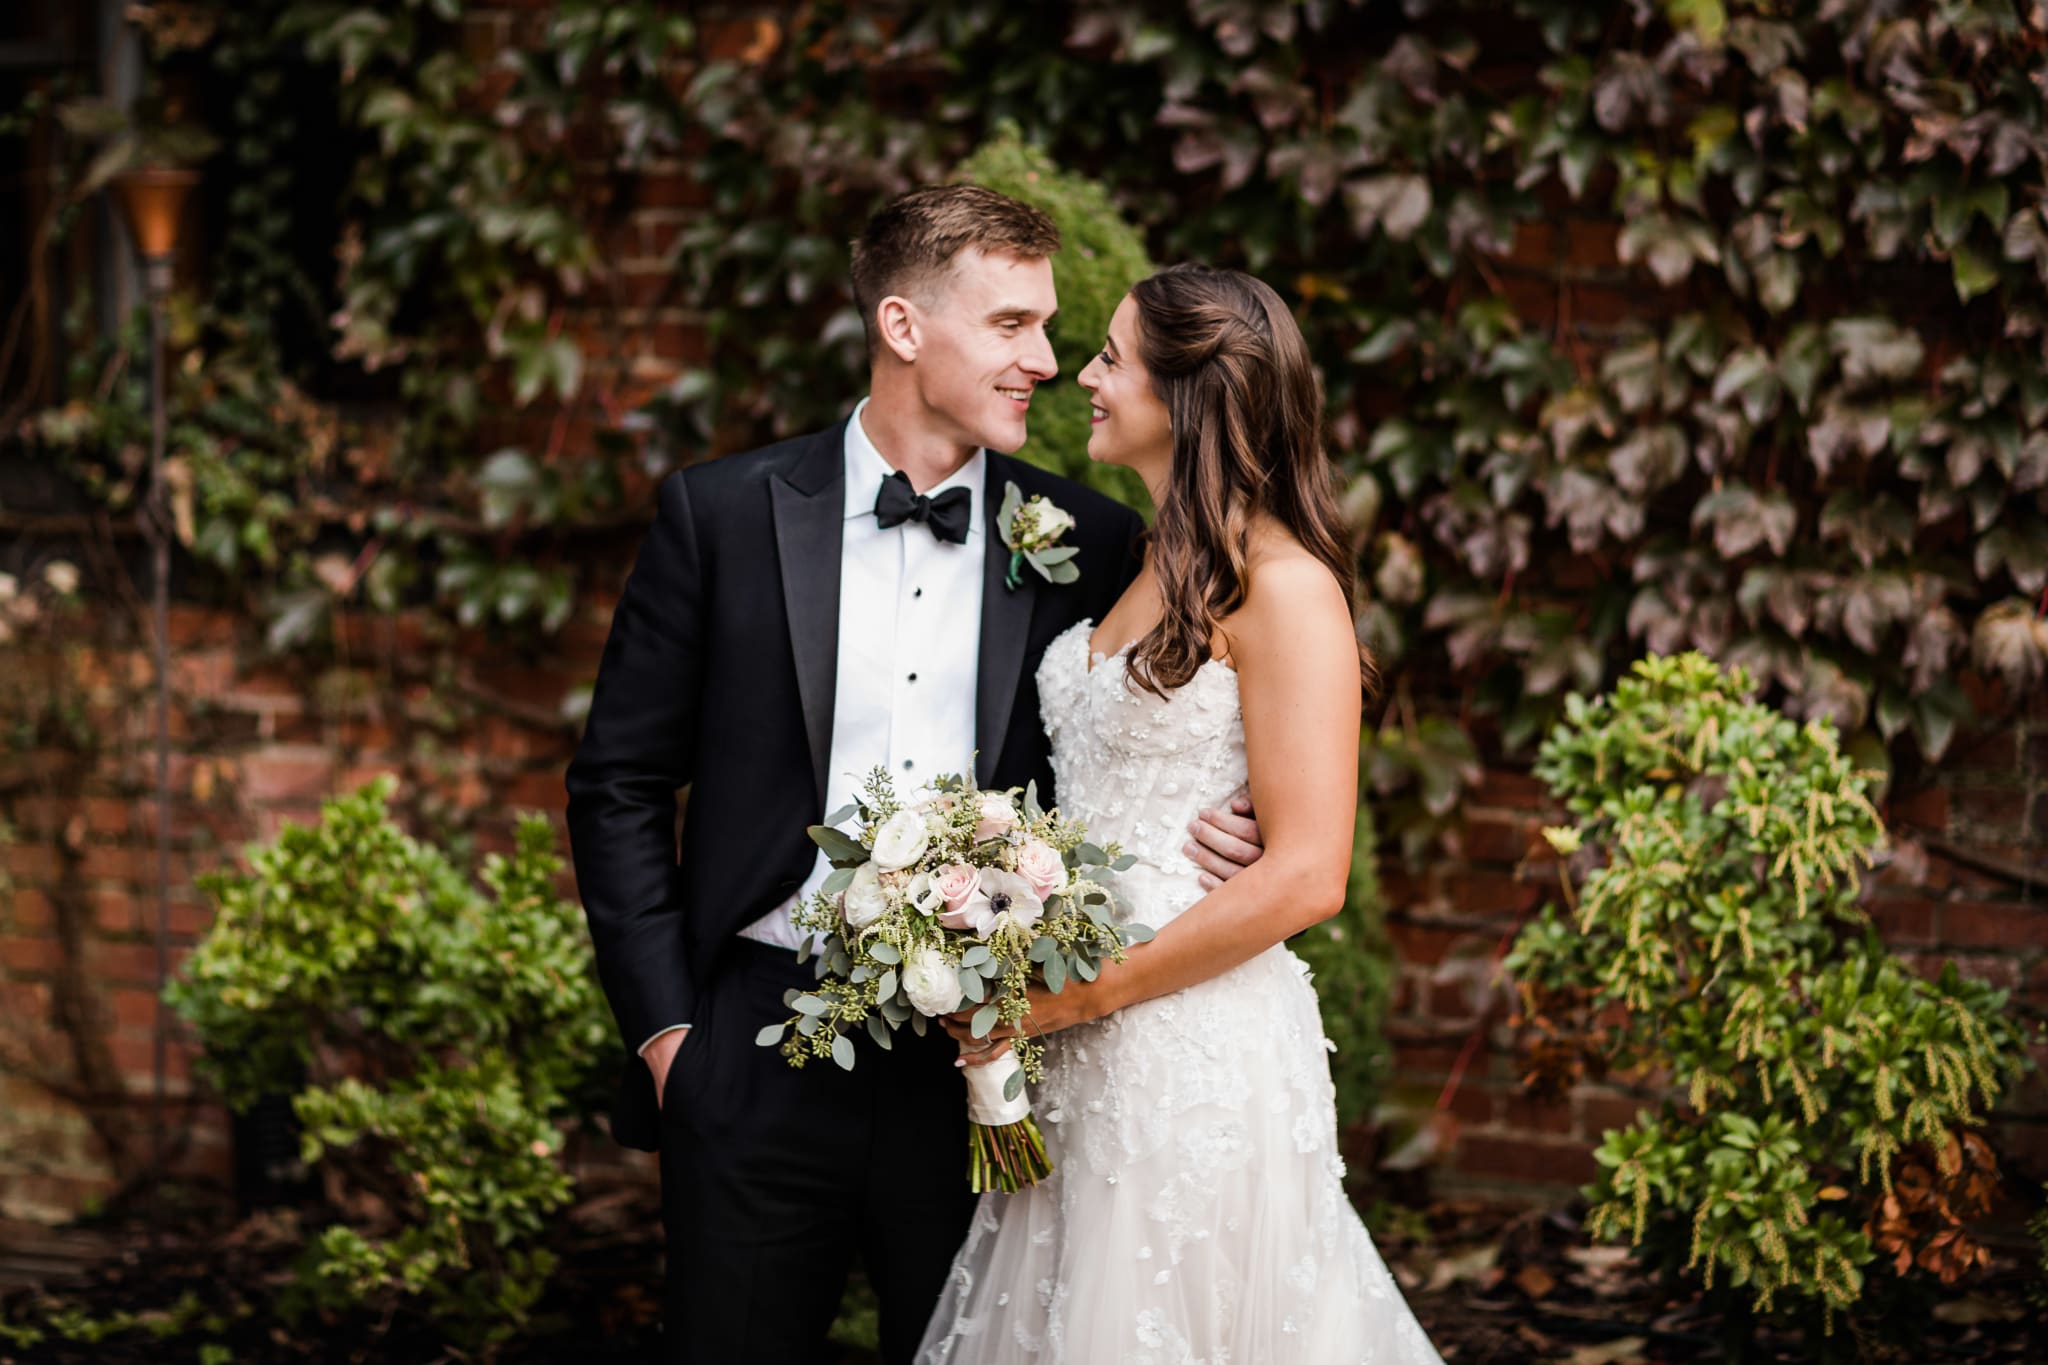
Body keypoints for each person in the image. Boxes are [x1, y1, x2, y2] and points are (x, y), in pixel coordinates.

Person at [564, 189, 1265, 1365]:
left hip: (986, 1056)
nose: (1042, 359)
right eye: (1009, 326)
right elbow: (618, 783)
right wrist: (668, 1035)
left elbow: (1198, 697)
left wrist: (1237, 818)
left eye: (1048, 328)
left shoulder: (1089, 541)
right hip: (752, 1045)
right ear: (901, 327)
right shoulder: (722, 515)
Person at [918, 264, 1442, 1363]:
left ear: (1189, 396)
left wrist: (1070, 1000)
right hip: (1075, 1051)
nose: (1085, 378)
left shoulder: (1285, 584)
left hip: (1188, 1047)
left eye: (1111, 358)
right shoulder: (1144, 556)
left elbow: (1307, 874)